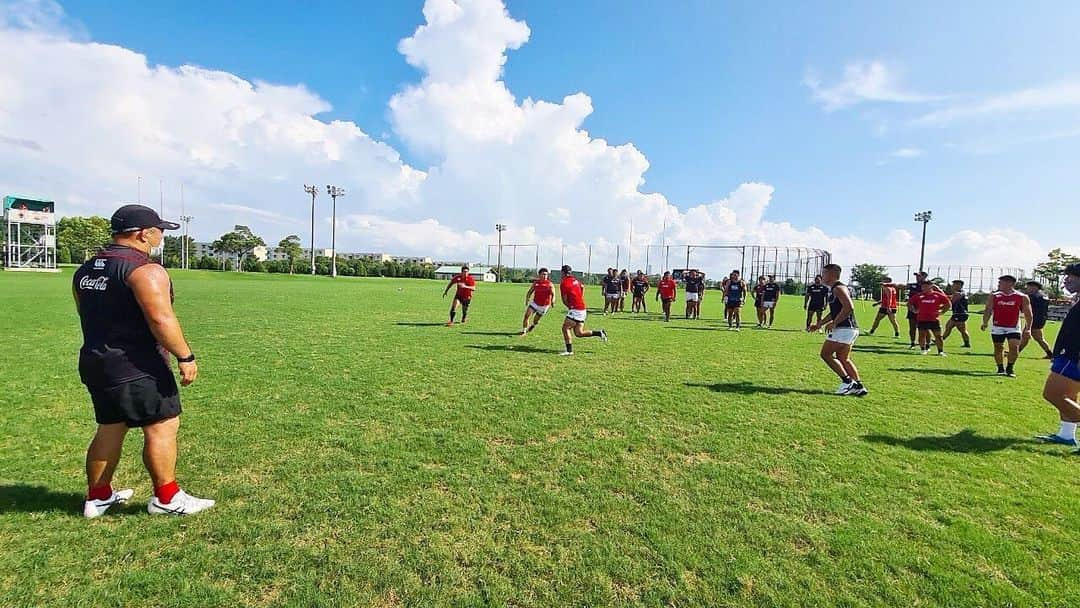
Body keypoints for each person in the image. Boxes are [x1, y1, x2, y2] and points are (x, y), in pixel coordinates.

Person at [73, 204, 213, 518]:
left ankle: (98, 497)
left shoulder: (86, 270)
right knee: (163, 425)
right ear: (142, 234)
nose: (161, 235)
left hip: (96, 361)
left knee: (110, 426)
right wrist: (185, 356)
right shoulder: (146, 270)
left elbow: (84, 312)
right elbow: (161, 320)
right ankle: (167, 498)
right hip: (136, 364)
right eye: (158, 230)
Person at [1034, 264, 1080, 448]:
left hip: (1073, 356)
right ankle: (1066, 435)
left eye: (1072, 276)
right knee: (1068, 395)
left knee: (1053, 394)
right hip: (1067, 354)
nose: (1066, 280)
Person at [809, 263, 868, 396]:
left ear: (831, 274)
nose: (822, 276)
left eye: (824, 273)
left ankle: (847, 382)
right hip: (849, 329)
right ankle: (858, 385)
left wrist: (835, 323)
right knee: (843, 358)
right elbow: (835, 311)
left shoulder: (838, 288)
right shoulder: (835, 289)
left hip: (844, 329)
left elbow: (849, 307)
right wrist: (819, 324)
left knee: (825, 354)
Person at [981, 274, 1033, 377]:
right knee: (998, 347)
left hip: (1013, 327)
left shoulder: (1022, 297)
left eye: (1002, 282)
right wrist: (985, 322)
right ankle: (1000, 368)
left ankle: (1010, 368)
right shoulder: (994, 296)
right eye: (999, 282)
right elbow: (988, 310)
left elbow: (1028, 313)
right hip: (997, 326)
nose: (999, 284)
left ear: (1010, 283)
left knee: (1014, 347)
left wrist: (1029, 329)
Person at [558, 265, 607, 356]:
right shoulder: (575, 280)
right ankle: (599, 333)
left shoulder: (564, 283)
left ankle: (569, 351)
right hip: (582, 309)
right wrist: (580, 297)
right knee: (579, 333)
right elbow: (582, 286)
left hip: (576, 309)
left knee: (565, 328)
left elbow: (564, 300)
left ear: (563, 273)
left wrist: (570, 306)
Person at [911, 281, 952, 355]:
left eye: (925, 286)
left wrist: (942, 311)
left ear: (931, 286)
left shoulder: (938, 295)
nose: (923, 288)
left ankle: (940, 351)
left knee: (938, 336)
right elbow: (910, 303)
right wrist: (914, 310)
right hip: (922, 319)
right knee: (922, 335)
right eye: (922, 287)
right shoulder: (918, 295)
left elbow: (948, 304)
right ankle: (923, 350)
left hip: (934, 319)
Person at [1020, 281, 1054, 359]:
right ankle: (1050, 354)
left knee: (1026, 336)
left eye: (1028, 287)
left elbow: (1026, 307)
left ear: (1034, 287)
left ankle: (1015, 352)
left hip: (1034, 319)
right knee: (1038, 338)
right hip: (1041, 319)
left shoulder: (1033, 296)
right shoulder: (1044, 296)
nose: (1027, 289)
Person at [520, 268, 554, 335]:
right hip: (535, 303)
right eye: (543, 274)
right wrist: (527, 298)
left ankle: (533, 325)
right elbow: (530, 291)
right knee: (526, 315)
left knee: (536, 320)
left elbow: (553, 294)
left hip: (544, 306)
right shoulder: (536, 283)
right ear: (539, 275)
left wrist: (553, 301)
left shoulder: (550, 284)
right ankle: (524, 331)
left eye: (546, 274)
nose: (545, 276)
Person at [941, 280, 972, 348]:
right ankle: (940, 340)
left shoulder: (959, 293)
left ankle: (967, 344)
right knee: (948, 326)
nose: (952, 286)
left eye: (954, 284)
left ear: (959, 286)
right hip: (957, 314)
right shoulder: (958, 293)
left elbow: (952, 300)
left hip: (960, 314)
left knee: (962, 330)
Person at [903, 272, 929, 348]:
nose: (917, 277)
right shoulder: (912, 285)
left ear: (924, 277)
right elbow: (901, 286)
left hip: (924, 310)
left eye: (919, 276)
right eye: (916, 276)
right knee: (912, 327)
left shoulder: (929, 286)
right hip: (912, 309)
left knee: (925, 328)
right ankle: (912, 343)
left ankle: (927, 344)